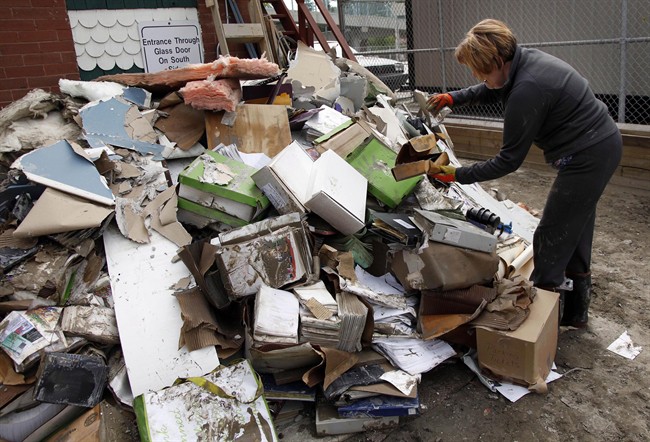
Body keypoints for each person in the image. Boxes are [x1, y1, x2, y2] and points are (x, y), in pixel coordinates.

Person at [426, 18, 622, 328]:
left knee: (551, 236)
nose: (478, 76)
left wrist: (455, 175)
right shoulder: (523, 63)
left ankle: (543, 321)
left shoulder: (527, 90)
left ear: (499, 61)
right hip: (600, 144)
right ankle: (576, 313)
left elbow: (508, 161)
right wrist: (455, 97)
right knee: (577, 225)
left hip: (588, 155)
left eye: (480, 70)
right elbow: (492, 86)